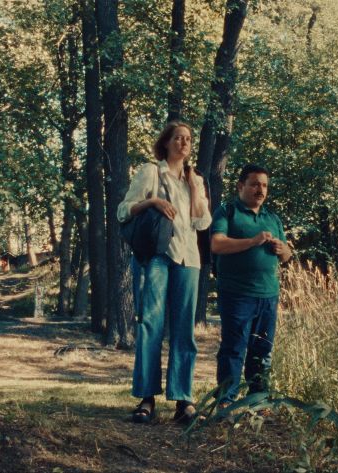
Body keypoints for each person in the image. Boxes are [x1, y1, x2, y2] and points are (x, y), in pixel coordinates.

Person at [118, 121, 211, 424]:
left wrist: (196, 189)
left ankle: (183, 400)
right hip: (156, 256)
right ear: (166, 143)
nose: (184, 143)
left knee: (184, 330)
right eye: (178, 138)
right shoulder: (151, 172)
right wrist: (153, 202)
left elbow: (202, 224)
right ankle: (146, 399)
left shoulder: (194, 179)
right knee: (151, 326)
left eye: (187, 139)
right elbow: (123, 209)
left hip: (189, 259)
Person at [210, 164, 292, 410]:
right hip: (237, 294)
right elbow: (217, 244)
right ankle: (226, 402)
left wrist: (282, 249)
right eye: (255, 184)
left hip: (268, 294)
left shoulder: (272, 218)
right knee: (234, 348)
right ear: (241, 186)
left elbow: (288, 255)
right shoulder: (228, 212)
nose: (260, 190)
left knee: (262, 351)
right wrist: (252, 241)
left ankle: (259, 402)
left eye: (264, 185)